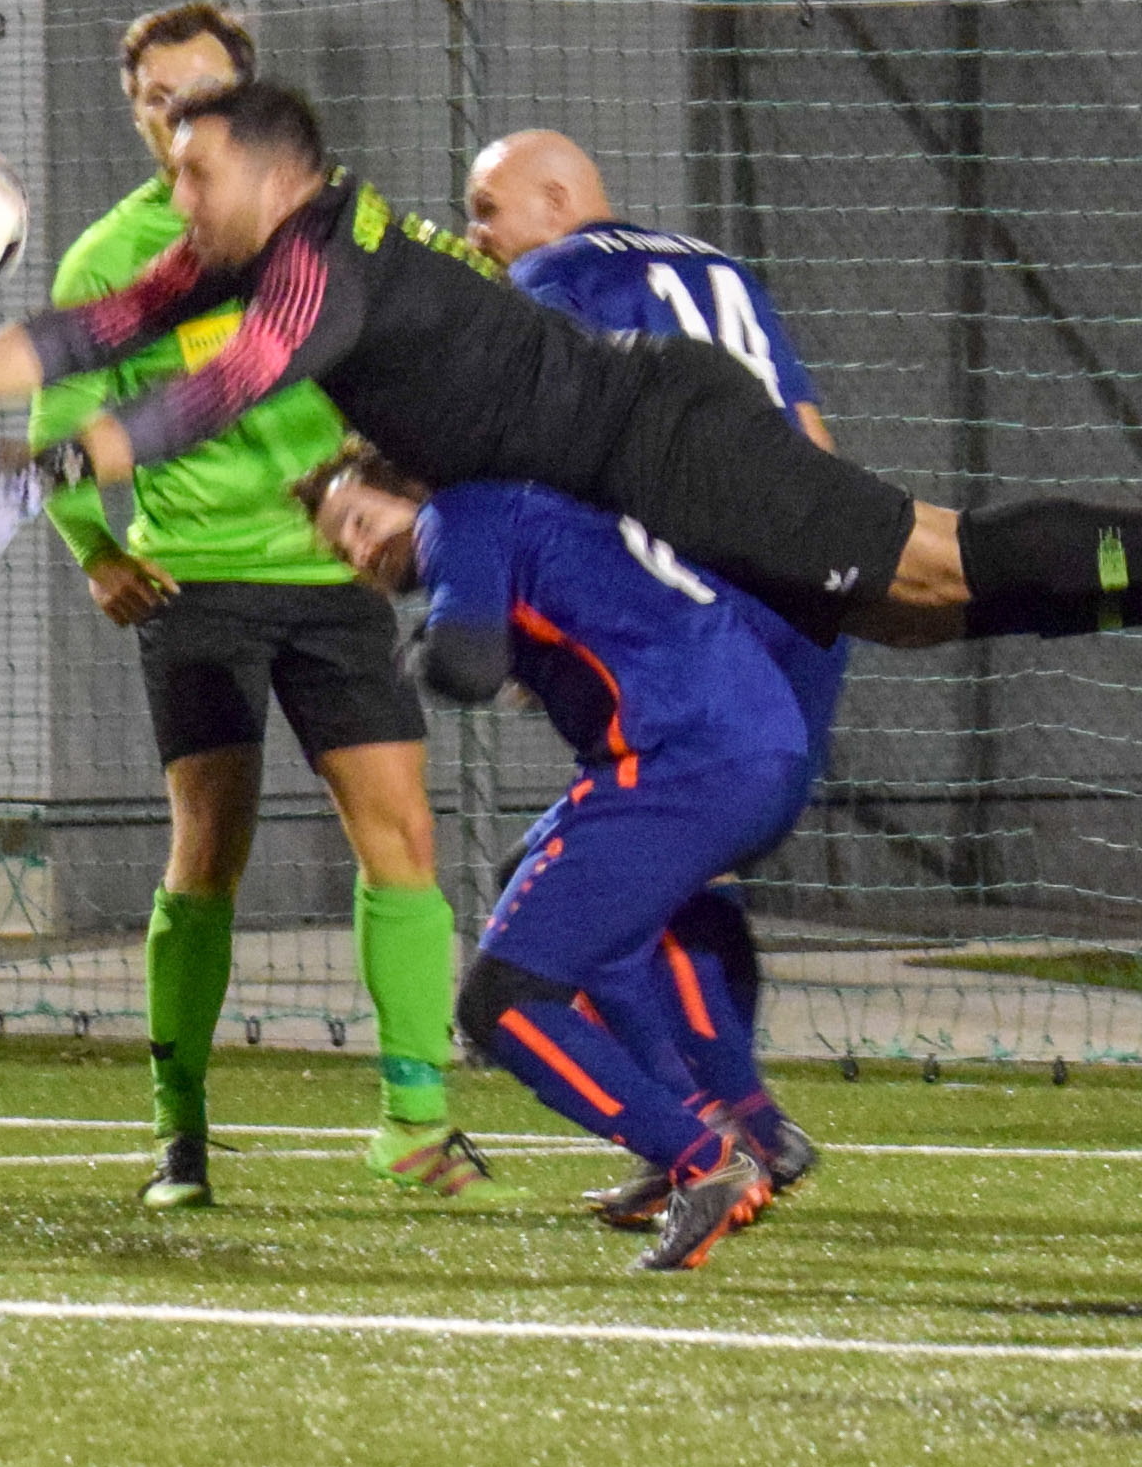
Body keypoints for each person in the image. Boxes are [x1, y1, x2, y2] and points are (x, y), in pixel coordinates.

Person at [0, 78, 1142, 681]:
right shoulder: (240, 249)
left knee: (930, 562)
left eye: (194, 167)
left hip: (660, 435)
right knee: (904, 612)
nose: (173, 187)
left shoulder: (317, 270)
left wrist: (40, 473)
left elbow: (211, 393)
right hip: (635, 448)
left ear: (275, 174)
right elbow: (87, 333)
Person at [29, 1, 507, 1210]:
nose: (177, 116)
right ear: (135, 113)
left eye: (200, 94)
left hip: (335, 582)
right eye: (156, 100)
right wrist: (95, 552)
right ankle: (178, 1131)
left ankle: (414, 1123)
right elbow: (58, 432)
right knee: (208, 854)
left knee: (402, 841)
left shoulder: (333, 231)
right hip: (196, 583)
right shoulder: (110, 263)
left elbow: (432, 326)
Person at [296, 444, 818, 1271]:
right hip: (741, 736)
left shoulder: (456, 513)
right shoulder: (533, 504)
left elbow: (464, 666)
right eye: (341, 549)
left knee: (502, 1001)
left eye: (360, 521)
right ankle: (717, 1124)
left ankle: (707, 1157)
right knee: (556, 903)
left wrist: (420, 653)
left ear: (411, 487)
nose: (359, 551)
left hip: (686, 758)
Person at [467, 127, 847, 1226]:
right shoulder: (717, 266)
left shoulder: (552, 279)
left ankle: (721, 1132)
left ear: (555, 200)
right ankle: (728, 1124)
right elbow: (809, 435)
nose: (475, 235)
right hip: (807, 593)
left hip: (699, 602)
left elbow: (558, 453)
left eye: (486, 208)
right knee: (679, 869)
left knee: (625, 879)